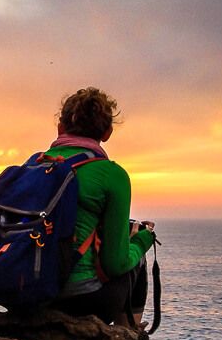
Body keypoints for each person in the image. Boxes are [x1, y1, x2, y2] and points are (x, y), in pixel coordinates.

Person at [44, 87, 155, 327]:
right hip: (82, 299)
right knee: (136, 256)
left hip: (26, 292)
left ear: (60, 128)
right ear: (107, 132)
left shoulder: (33, 166)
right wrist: (143, 241)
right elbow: (115, 264)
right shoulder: (111, 175)